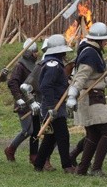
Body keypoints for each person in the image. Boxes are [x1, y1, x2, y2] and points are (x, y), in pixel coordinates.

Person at [66, 22, 107, 177]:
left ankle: (82, 170)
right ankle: (95, 169)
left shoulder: (94, 52)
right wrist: (71, 96)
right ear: (100, 40)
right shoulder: (89, 54)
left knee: (93, 135)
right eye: (106, 40)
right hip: (90, 98)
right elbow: (80, 77)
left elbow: (102, 76)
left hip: (94, 96)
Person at [33, 34, 75, 174]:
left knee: (51, 137)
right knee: (63, 135)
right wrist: (51, 107)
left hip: (56, 104)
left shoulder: (56, 64)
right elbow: (46, 86)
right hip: (52, 105)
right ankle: (67, 166)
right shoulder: (53, 65)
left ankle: (38, 164)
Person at [5, 39, 41, 163]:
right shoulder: (20, 66)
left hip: (34, 102)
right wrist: (19, 98)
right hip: (24, 103)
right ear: (29, 53)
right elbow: (12, 82)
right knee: (28, 130)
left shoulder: (35, 66)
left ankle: (34, 156)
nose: (37, 54)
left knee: (35, 131)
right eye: (35, 52)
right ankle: (10, 149)